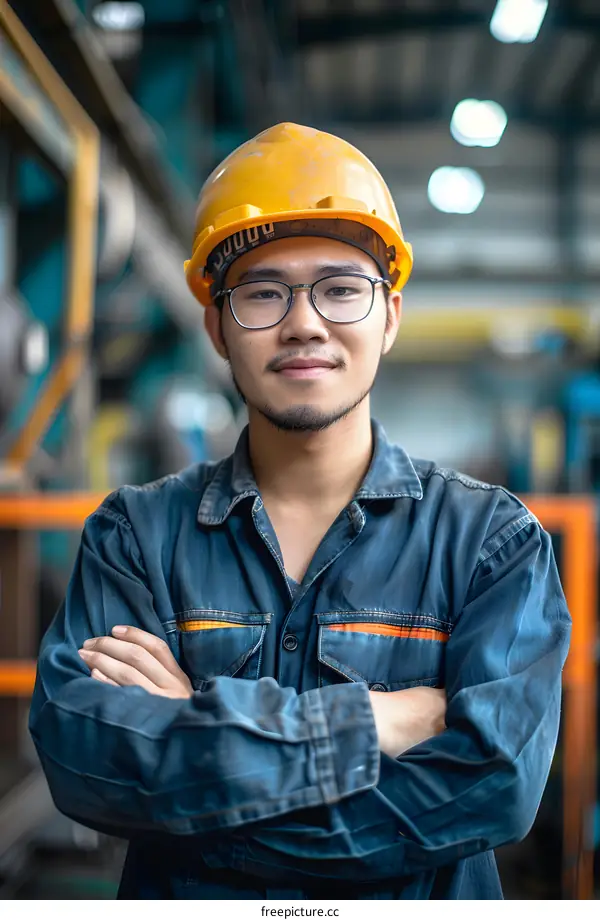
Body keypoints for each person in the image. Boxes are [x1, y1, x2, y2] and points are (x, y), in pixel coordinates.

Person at [29, 123, 571, 900]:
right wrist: (367, 725)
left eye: (341, 288)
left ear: (390, 315)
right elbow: (86, 761)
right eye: (263, 293)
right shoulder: (135, 538)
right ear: (216, 326)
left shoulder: (491, 543)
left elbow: (496, 788)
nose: (305, 323)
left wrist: (196, 736)